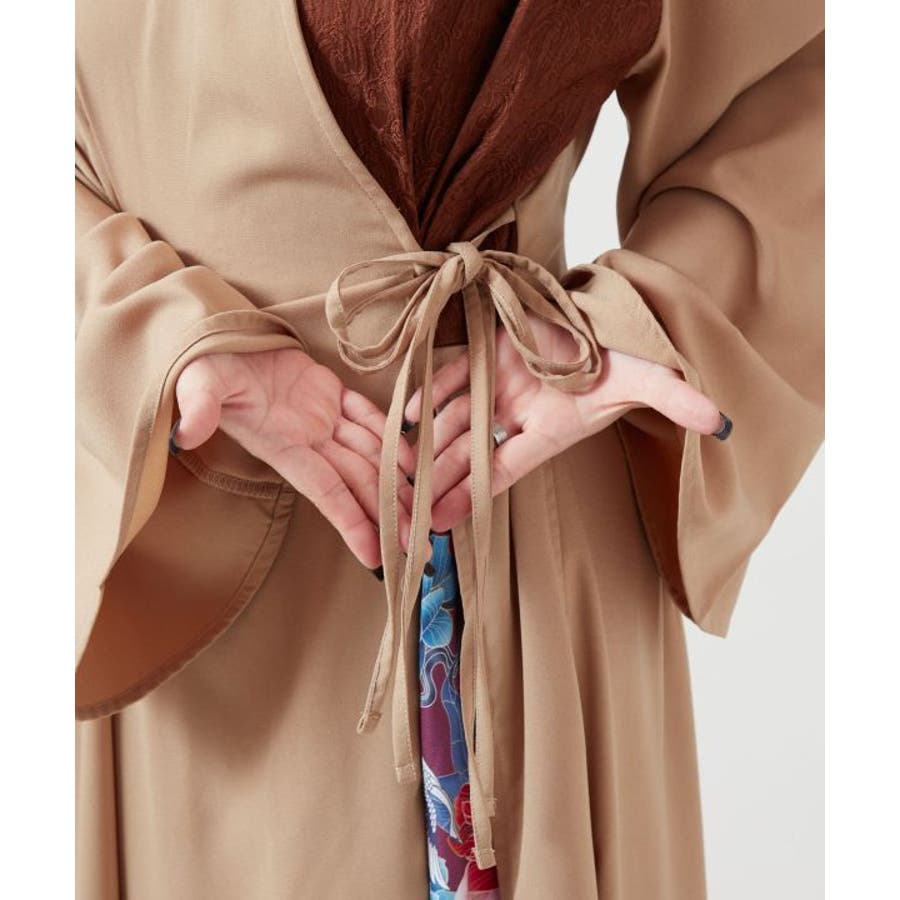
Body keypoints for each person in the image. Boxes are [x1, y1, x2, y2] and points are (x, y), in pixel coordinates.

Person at [75, 1, 824, 897]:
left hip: (517, 479)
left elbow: (797, 93)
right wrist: (148, 333)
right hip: (182, 526)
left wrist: (637, 320)